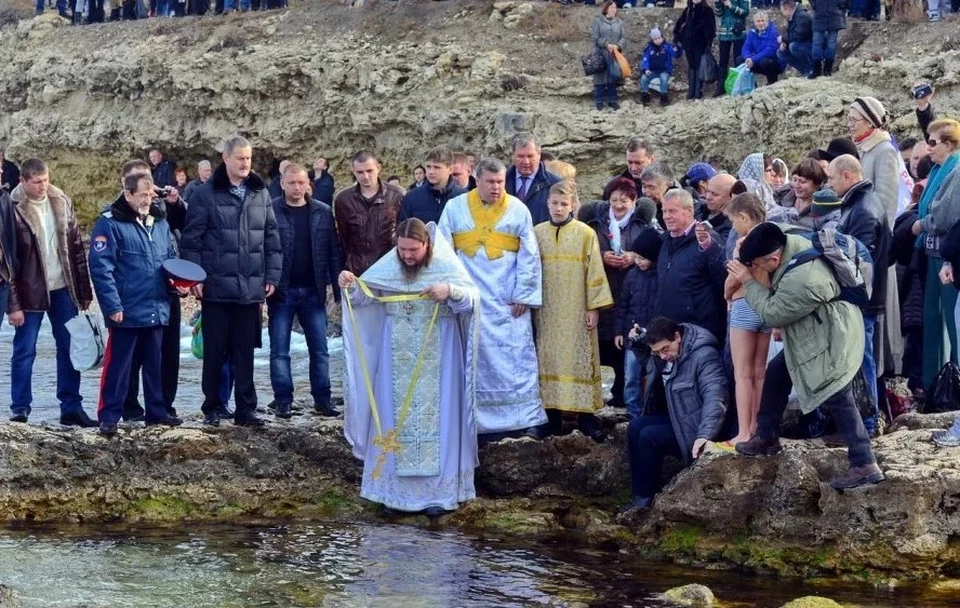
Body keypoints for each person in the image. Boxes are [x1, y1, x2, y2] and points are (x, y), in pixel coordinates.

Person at [340, 219, 479, 517]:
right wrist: (350, 284)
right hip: (396, 358)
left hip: (439, 357)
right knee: (394, 419)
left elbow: (473, 301)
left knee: (438, 421)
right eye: (402, 250)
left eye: (413, 250)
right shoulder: (390, 267)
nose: (407, 256)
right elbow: (366, 296)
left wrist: (451, 291)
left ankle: (438, 496)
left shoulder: (446, 267)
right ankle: (394, 496)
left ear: (427, 245)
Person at [730, 223, 884, 490]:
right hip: (812, 332)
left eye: (757, 265)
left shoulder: (804, 278)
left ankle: (864, 462)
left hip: (831, 336)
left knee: (835, 391)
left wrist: (746, 281)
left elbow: (772, 314)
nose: (754, 271)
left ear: (774, 259)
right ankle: (766, 436)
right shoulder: (791, 243)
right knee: (778, 373)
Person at [438, 158, 547, 441]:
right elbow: (443, 252)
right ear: (477, 180)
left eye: (501, 182)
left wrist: (524, 293)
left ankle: (522, 419)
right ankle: (473, 421)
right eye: (491, 182)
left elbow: (529, 255)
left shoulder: (518, 210)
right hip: (469, 299)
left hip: (507, 300)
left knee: (515, 358)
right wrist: (452, 291)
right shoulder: (455, 208)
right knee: (472, 358)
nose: (497, 188)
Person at [180, 136, 283, 427]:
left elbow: (272, 239)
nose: (245, 163)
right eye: (240, 158)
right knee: (214, 350)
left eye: (249, 158)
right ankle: (212, 406)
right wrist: (195, 278)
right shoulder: (204, 194)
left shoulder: (259, 193)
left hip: (250, 288)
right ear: (225, 159)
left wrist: (272, 276)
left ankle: (246, 409)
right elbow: (192, 240)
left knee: (244, 351)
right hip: (215, 288)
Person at [88, 172, 181, 436]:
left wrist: (179, 285)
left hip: (157, 306)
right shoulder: (109, 224)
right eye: (141, 195)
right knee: (118, 367)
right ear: (127, 194)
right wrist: (112, 307)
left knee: (155, 363)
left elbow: (170, 259)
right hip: (126, 309)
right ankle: (109, 416)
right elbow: (101, 269)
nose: (147, 200)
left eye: (149, 195)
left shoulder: (160, 221)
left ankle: (157, 412)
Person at [7, 159, 96, 427]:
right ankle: (20, 408)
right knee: (25, 350)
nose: (43, 186)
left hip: (63, 288)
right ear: (23, 181)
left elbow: (76, 247)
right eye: (37, 182)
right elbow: (7, 261)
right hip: (29, 290)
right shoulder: (11, 207)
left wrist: (83, 291)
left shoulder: (60, 199)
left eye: (46, 180)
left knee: (70, 347)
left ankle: (71, 407)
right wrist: (13, 304)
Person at [107, 160, 187, 423]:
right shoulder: (113, 218)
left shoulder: (160, 212)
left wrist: (174, 202)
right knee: (125, 362)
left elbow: (178, 236)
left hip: (162, 296)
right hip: (130, 301)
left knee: (162, 357)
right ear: (126, 187)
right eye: (141, 187)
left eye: (150, 184)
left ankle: (161, 407)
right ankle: (122, 409)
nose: (149, 195)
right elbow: (103, 268)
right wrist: (113, 305)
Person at [534, 181, 613, 441]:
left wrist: (594, 306)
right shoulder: (537, 233)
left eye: (564, 204)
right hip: (547, 309)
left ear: (573, 205)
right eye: (554, 203)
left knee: (581, 359)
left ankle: (586, 418)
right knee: (549, 360)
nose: (558, 208)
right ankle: (551, 417)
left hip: (577, 307)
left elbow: (594, 272)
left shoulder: (585, 234)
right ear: (547, 203)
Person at [623, 316, 729, 511]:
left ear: (677, 337)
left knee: (649, 437)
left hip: (695, 428)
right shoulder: (660, 356)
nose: (663, 356)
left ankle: (645, 498)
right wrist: (638, 342)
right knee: (635, 427)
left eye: (666, 349)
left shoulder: (704, 354)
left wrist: (705, 435)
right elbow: (648, 362)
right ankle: (638, 494)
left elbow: (716, 396)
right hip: (677, 417)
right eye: (658, 352)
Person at [268, 163, 341, 419]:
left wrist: (338, 291)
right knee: (279, 350)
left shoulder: (322, 211)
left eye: (301, 183)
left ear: (308, 183)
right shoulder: (271, 210)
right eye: (292, 183)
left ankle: (323, 399)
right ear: (282, 184)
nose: (297, 188)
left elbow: (333, 252)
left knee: (320, 349)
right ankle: (283, 400)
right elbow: (264, 249)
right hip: (281, 291)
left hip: (314, 290)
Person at [827, 154, 890, 435]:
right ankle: (864, 422)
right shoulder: (862, 203)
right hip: (863, 299)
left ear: (847, 176)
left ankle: (866, 424)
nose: (829, 184)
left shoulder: (863, 209)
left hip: (861, 301)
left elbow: (858, 261)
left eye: (831, 178)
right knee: (860, 358)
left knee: (861, 359)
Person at [583, 178, 658, 410]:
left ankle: (623, 396)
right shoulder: (596, 223)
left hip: (631, 289)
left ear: (633, 201)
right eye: (614, 200)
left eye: (624, 200)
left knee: (624, 346)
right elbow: (587, 249)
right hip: (602, 286)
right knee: (602, 341)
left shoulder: (642, 224)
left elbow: (649, 251)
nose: (618, 205)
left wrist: (632, 256)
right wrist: (603, 255)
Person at [912, 119, 960, 389]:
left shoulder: (957, 170)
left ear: (949, 144)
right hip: (932, 253)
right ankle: (934, 385)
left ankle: (953, 386)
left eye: (932, 142)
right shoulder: (939, 171)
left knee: (952, 323)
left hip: (949, 257)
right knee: (932, 319)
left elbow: (944, 216)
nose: (928, 148)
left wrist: (921, 225)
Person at [720, 193, 771, 445]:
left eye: (733, 220)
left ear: (743, 216)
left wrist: (726, 293)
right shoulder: (774, 237)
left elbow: (734, 278)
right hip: (766, 307)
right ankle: (757, 427)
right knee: (760, 372)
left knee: (742, 374)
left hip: (744, 304)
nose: (732, 227)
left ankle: (743, 432)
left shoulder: (745, 242)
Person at [655, 189, 728, 343]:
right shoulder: (665, 241)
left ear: (689, 211)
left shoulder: (708, 239)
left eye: (672, 211)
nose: (666, 216)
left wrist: (709, 247)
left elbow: (723, 278)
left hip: (698, 332)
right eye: (664, 211)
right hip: (670, 331)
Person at [333, 150, 404, 275]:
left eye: (369, 171)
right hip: (356, 270)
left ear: (378, 168)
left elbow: (402, 231)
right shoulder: (343, 200)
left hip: (389, 268)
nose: (365, 176)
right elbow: (343, 239)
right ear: (353, 171)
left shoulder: (397, 195)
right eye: (360, 172)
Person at [615, 228, 661, 419]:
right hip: (632, 335)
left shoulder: (660, 276)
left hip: (653, 336)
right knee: (631, 377)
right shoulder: (632, 276)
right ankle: (633, 411)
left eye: (644, 258)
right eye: (637, 257)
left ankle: (650, 410)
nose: (640, 262)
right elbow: (622, 305)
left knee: (652, 377)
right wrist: (619, 331)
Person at [399, 146, 468, 224]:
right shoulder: (411, 197)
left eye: (437, 167)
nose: (431, 171)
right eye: (428, 167)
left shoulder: (465, 197)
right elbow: (403, 229)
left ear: (450, 169)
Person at [505, 132, 562, 226]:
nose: (526, 161)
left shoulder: (555, 185)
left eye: (530, 156)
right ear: (513, 156)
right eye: (521, 156)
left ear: (539, 155)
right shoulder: (500, 183)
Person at [673, 0, 716, 100]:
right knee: (691, 66)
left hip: (700, 44)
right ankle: (691, 91)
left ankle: (698, 91)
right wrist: (679, 37)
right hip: (688, 43)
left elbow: (711, 28)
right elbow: (679, 24)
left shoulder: (707, 10)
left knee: (698, 66)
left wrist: (707, 42)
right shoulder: (688, 10)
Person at [590, 1, 626, 110]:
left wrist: (618, 46)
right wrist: (606, 44)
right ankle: (599, 102)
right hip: (601, 53)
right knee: (600, 79)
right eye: (611, 8)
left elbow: (624, 37)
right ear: (606, 9)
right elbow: (595, 37)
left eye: (615, 8)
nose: (614, 10)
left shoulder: (619, 22)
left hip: (614, 54)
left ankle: (612, 101)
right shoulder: (598, 21)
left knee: (612, 78)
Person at [713, 0, 749, 97]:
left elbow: (745, 12)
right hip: (724, 32)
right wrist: (717, 3)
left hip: (738, 31)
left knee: (738, 60)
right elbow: (718, 14)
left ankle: (738, 86)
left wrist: (731, 5)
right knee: (723, 61)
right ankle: (720, 87)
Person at [781, 159, 830, 229]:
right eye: (795, 180)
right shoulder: (782, 200)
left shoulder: (824, 211)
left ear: (816, 185)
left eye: (802, 182)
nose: (797, 185)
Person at [741, 11, 784, 86]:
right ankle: (749, 86)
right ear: (754, 23)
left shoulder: (773, 31)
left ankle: (772, 83)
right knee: (740, 59)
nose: (761, 24)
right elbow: (745, 48)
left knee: (766, 61)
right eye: (758, 21)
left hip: (774, 62)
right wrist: (748, 58)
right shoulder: (752, 33)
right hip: (758, 60)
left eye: (763, 21)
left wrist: (753, 59)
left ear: (767, 21)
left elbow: (770, 51)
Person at [639, 27, 677, 106]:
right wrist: (646, 69)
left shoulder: (667, 47)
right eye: (655, 39)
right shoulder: (649, 49)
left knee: (663, 78)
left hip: (665, 71)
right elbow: (646, 59)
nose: (658, 40)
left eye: (659, 38)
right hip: (653, 71)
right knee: (644, 78)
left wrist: (678, 49)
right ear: (652, 40)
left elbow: (675, 54)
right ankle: (645, 97)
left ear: (662, 37)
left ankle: (664, 97)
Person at [809, 0, 846, 78]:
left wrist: (840, 4)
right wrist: (814, 4)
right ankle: (816, 70)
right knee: (817, 42)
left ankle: (827, 69)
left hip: (834, 14)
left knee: (831, 43)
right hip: (819, 14)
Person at [777, 0, 813, 77]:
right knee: (781, 52)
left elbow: (799, 36)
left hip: (813, 45)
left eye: (782, 10)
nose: (782, 12)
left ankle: (811, 69)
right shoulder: (795, 16)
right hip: (804, 43)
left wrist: (783, 39)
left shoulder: (802, 16)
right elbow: (793, 34)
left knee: (794, 47)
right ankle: (805, 71)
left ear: (787, 8)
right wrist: (785, 43)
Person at [699, 172, 735, 246]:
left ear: (730, 197)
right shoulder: (698, 209)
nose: (708, 197)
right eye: (707, 191)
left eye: (715, 194)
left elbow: (724, 248)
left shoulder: (733, 223)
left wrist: (705, 231)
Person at [640, 162, 674, 226]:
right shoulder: (640, 207)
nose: (647, 193)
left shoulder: (679, 210)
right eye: (644, 186)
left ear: (668, 186)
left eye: (651, 187)